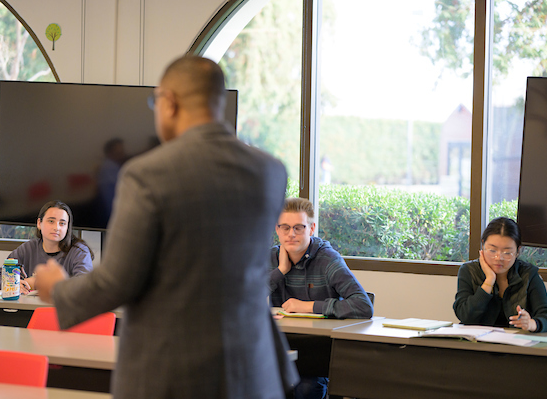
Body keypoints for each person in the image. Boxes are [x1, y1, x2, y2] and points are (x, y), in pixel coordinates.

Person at [34, 55, 298, 398]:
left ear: (169, 102)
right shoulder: (270, 172)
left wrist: (57, 289)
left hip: (172, 373)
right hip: (253, 371)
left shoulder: (148, 174)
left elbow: (117, 282)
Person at [269, 197, 373, 399]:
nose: (291, 234)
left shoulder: (327, 259)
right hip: (279, 350)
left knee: (306, 389)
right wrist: (281, 270)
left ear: (311, 228)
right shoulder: (270, 258)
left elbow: (363, 306)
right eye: (285, 227)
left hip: (317, 355)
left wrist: (308, 306)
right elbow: (245, 299)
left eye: (299, 227)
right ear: (277, 229)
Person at [454, 217, 547, 332]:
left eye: (507, 253)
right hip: (477, 345)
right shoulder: (469, 270)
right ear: (483, 246)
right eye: (492, 250)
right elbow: (465, 316)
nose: (498, 258)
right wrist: (489, 280)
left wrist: (532, 324)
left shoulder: (528, 274)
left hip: (517, 345)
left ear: (517, 251)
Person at [0, 200, 93, 293]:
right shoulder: (27, 249)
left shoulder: (79, 252)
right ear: (39, 223)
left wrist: (36, 283)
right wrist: (13, 285)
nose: (57, 228)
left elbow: (85, 285)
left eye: (62, 223)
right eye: (51, 221)